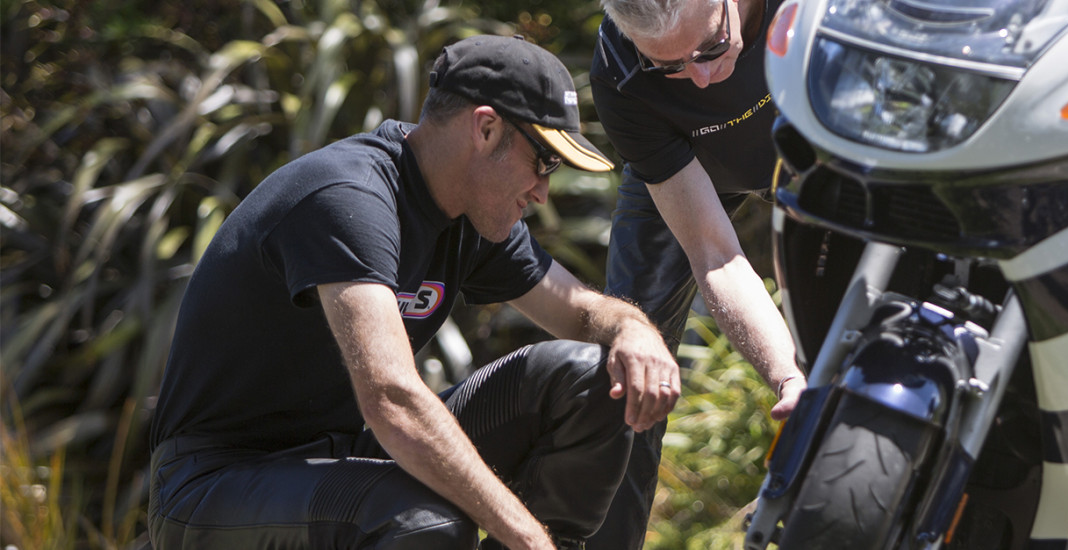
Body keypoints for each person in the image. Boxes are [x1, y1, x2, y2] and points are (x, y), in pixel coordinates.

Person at [147, 35, 680, 550]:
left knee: (591, 379)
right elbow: (392, 398)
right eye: (543, 160)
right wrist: (526, 538)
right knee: (421, 524)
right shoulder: (349, 198)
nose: (543, 191)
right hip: (215, 481)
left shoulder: (472, 216)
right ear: (487, 130)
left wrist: (635, 331)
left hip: (347, 454)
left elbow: (583, 313)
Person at [585, 0, 806, 546]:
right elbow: (715, 254)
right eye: (670, 66)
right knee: (628, 371)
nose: (702, 80)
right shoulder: (620, 72)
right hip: (690, 167)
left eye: (710, 48)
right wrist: (789, 379)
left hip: (816, 143)